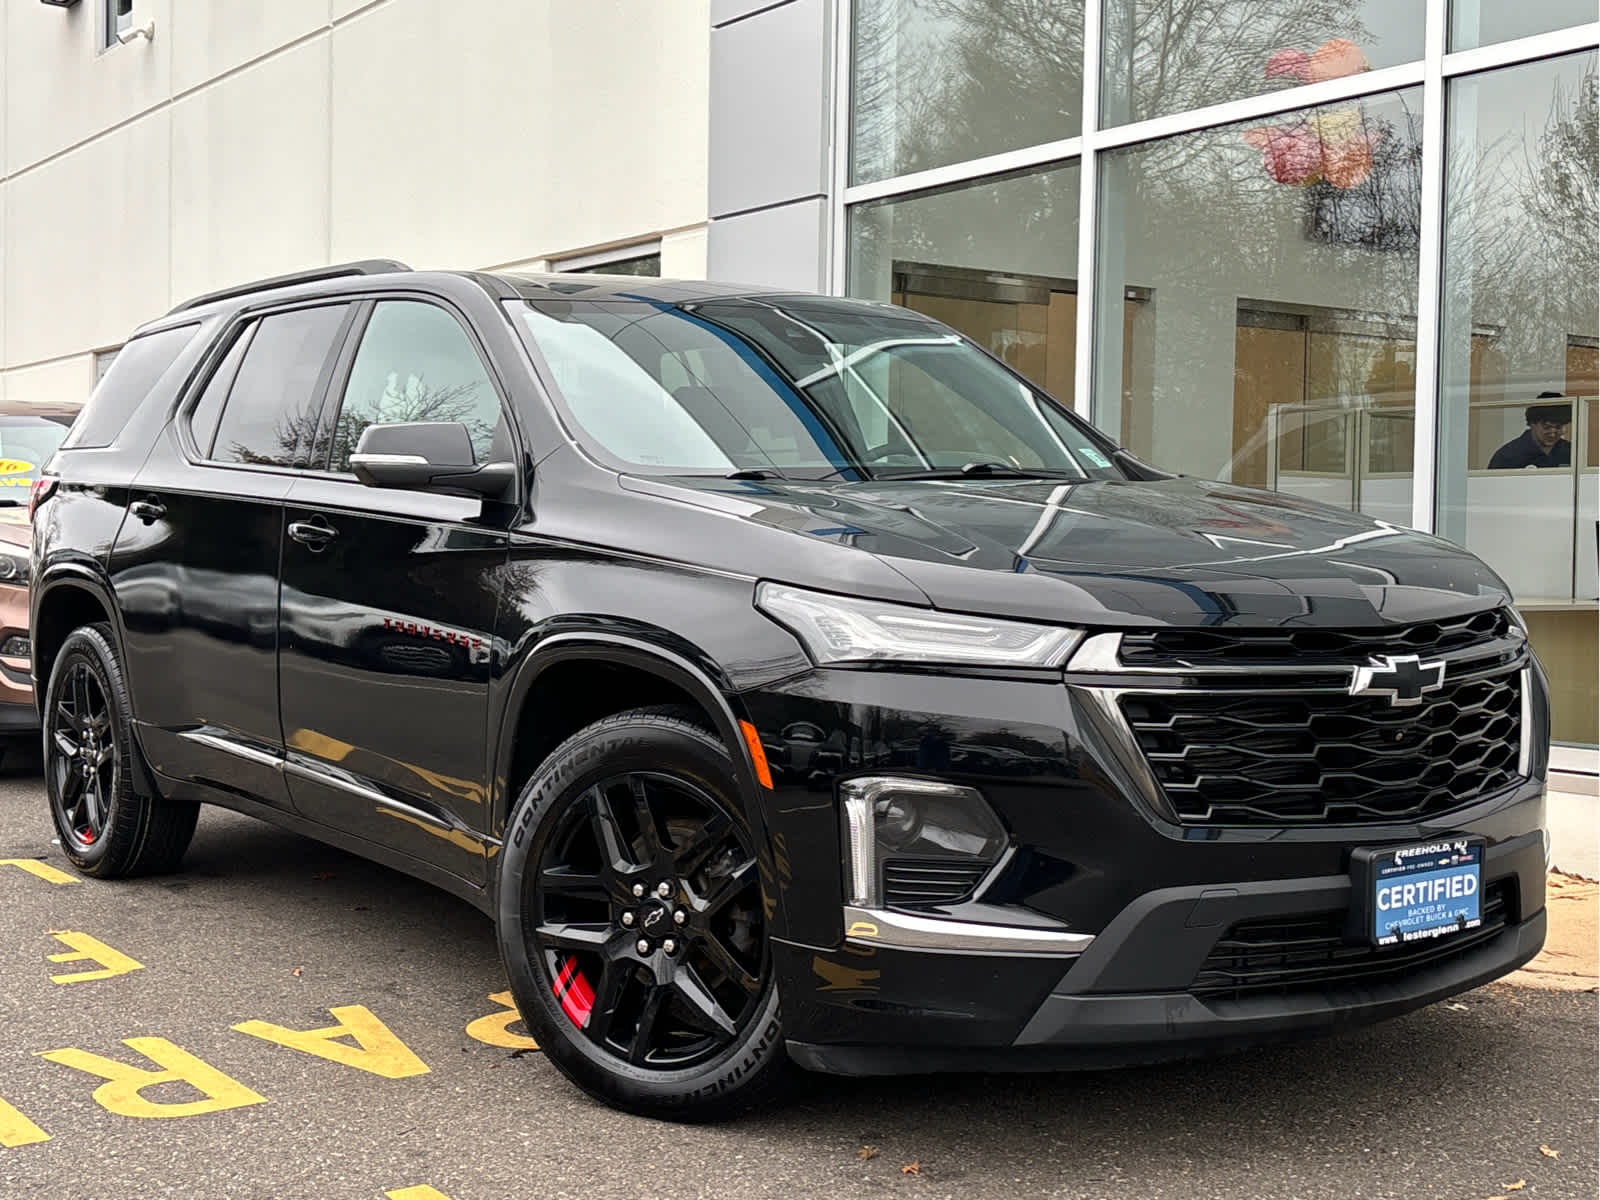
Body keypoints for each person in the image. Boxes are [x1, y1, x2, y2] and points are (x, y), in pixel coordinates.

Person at [1487, 392, 1572, 469]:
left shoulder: (1571, 452)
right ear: (1532, 424)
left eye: (1558, 427)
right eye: (1547, 427)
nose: (1553, 434)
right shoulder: (1507, 456)